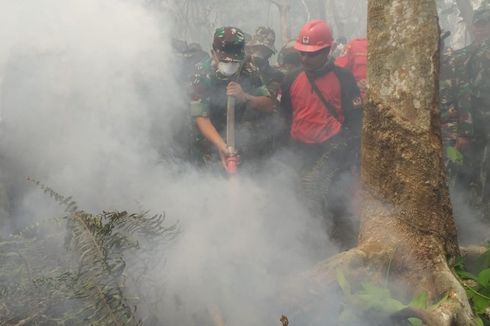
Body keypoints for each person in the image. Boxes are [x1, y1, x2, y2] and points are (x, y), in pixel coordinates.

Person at [280, 20, 362, 247]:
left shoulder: (344, 78)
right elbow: (285, 117)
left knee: (337, 205)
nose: (305, 59)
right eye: (302, 54)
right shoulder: (291, 79)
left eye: (312, 54)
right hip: (301, 152)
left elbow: (356, 121)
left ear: (327, 51)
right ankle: (306, 247)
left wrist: (350, 155)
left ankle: (341, 248)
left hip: (335, 152)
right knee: (303, 203)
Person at [190, 26, 274, 169]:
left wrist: (246, 97)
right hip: (206, 143)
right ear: (213, 53)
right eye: (225, 60)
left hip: (238, 141)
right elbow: (200, 115)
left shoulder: (249, 69)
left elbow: (269, 104)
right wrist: (221, 145)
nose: (230, 65)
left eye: (234, 61)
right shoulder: (201, 73)